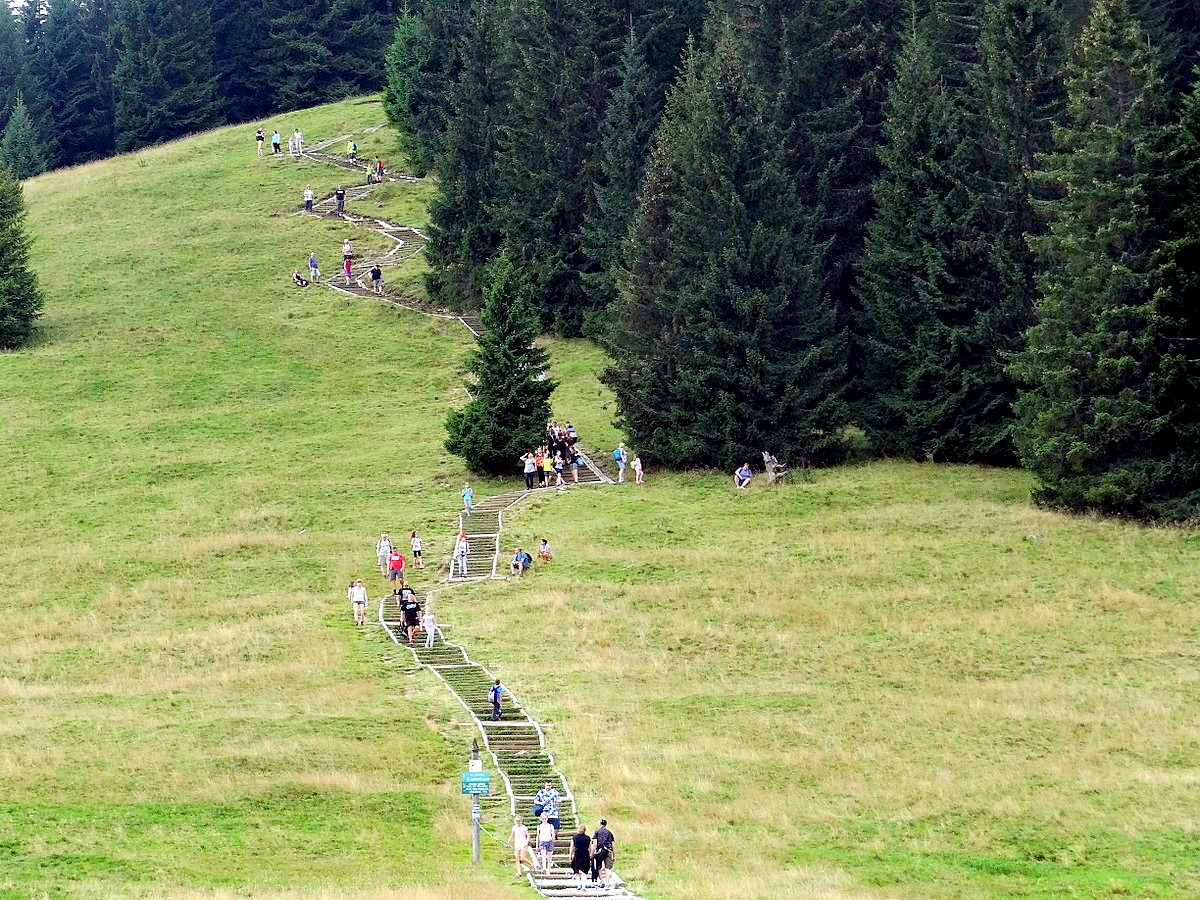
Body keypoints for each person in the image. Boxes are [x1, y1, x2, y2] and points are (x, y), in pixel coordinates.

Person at [592, 819, 615, 887]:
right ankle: (607, 883)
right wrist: (613, 854)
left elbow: (595, 843)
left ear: (600, 824)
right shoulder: (609, 833)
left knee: (598, 866)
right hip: (609, 851)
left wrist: (592, 853)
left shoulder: (597, 832)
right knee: (607, 868)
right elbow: (613, 844)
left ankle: (601, 880)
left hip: (600, 851)